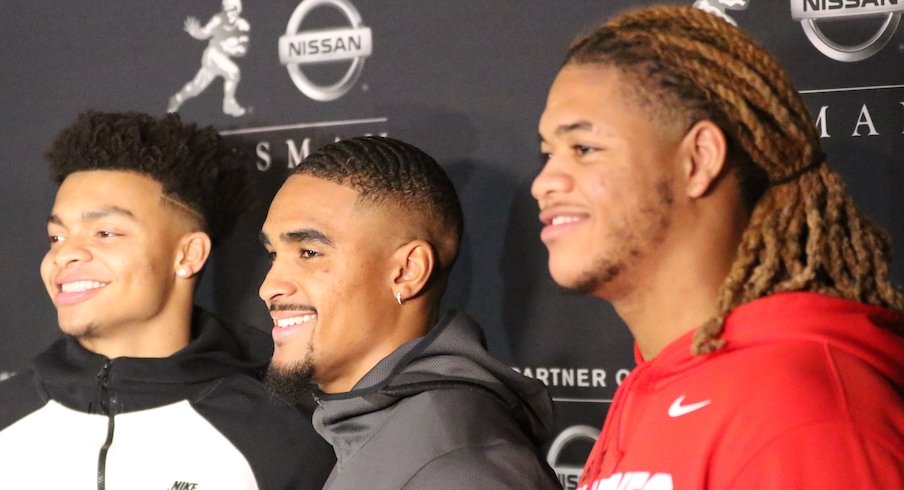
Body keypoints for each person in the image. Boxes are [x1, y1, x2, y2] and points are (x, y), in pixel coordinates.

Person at [532, 5, 903, 489]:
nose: (544, 183)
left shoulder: (806, 414)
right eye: (547, 154)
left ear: (699, 159)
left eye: (583, 149)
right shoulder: (661, 381)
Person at [0, 111, 334, 489]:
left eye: (105, 232)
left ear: (188, 255)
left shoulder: (285, 437)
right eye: (56, 237)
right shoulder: (7, 413)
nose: (64, 255)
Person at [260, 135, 560, 489]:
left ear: (407, 272)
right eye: (273, 255)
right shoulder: (375, 431)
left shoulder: (459, 467)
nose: (269, 288)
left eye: (309, 252)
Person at [167, 0, 250, 117]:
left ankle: (177, 98)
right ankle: (229, 104)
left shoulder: (243, 25)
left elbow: (243, 49)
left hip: (221, 59)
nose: (228, 12)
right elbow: (204, 32)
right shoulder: (219, 19)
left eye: (231, 9)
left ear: (238, 9)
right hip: (213, 55)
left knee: (196, 87)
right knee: (234, 72)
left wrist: (230, 49)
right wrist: (195, 32)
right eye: (226, 9)